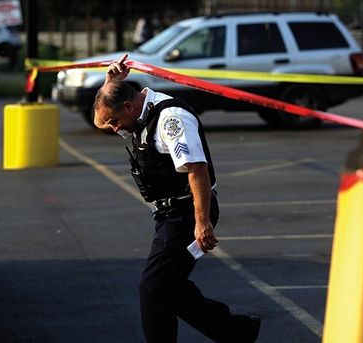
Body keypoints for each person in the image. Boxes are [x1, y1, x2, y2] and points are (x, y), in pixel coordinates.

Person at [93, 54, 261, 342]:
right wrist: (110, 83)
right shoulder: (134, 114)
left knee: (153, 287)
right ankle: (237, 331)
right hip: (168, 213)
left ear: (129, 107)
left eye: (115, 122)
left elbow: (197, 170)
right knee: (170, 286)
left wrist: (202, 223)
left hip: (187, 212)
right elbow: (99, 118)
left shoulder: (171, 120)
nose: (114, 129)